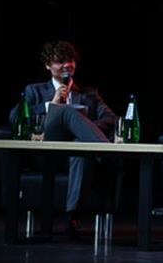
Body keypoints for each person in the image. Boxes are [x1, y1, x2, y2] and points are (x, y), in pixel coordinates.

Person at [9, 40, 117, 239]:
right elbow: (15, 117)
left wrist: (81, 128)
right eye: (60, 61)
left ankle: (72, 217)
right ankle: (108, 153)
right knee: (66, 112)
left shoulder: (89, 94)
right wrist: (51, 104)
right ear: (48, 65)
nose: (67, 65)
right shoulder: (35, 91)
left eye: (71, 60)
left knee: (80, 147)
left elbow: (111, 119)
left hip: (77, 155)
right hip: (46, 152)